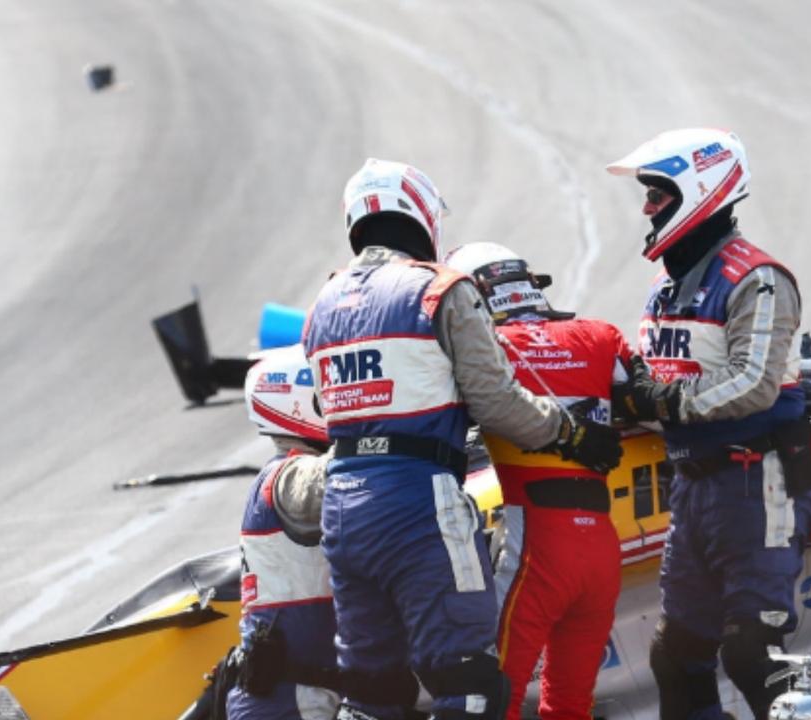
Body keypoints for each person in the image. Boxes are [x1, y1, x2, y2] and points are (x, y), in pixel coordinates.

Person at [303, 159, 623, 720]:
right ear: (422, 215)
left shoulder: (323, 303)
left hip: (344, 505)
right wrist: (571, 432)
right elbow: (496, 402)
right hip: (419, 503)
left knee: (372, 691)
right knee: (472, 683)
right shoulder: (440, 288)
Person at [605, 129, 811, 719]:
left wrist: (661, 401)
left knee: (754, 652)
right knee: (676, 658)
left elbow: (754, 383)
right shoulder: (665, 284)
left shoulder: (760, 278)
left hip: (757, 480)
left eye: (657, 194)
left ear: (699, 191)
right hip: (693, 487)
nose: (647, 208)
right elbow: (653, 378)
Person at [445, 242, 629, 720]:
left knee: (489, 702)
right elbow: (647, 402)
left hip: (537, 553)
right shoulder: (599, 334)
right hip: (603, 553)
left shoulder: (485, 352)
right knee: (569, 707)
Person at [226, 345, 340, 720]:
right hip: (290, 704)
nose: (345, 400)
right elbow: (339, 478)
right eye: (333, 392)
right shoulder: (286, 476)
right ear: (300, 402)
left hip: (311, 694)